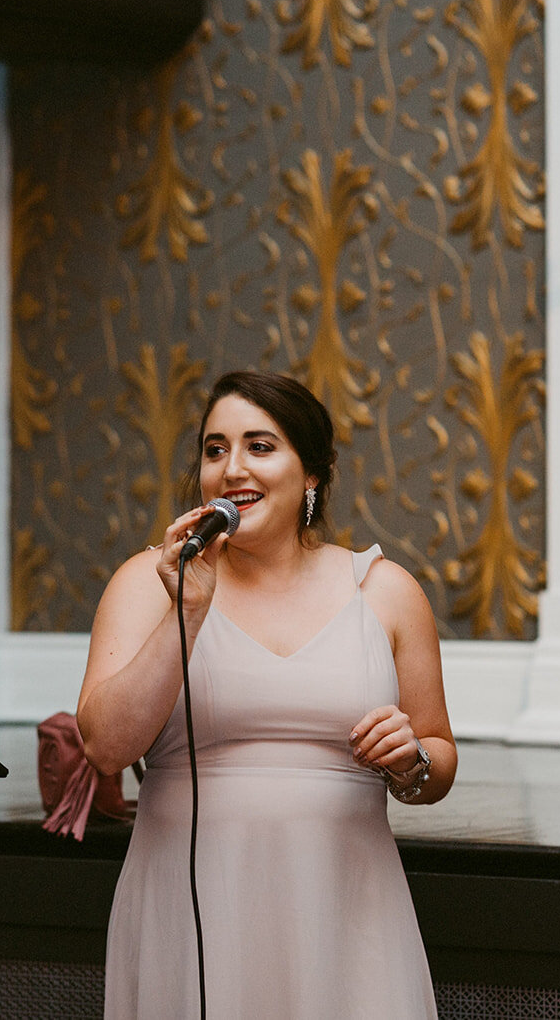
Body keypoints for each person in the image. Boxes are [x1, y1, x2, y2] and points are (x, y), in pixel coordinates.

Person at [78, 370, 456, 1018]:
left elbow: (439, 758)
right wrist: (189, 612)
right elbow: (107, 746)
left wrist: (411, 757)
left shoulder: (386, 590)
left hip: (344, 911)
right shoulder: (148, 582)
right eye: (215, 449)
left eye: (259, 446)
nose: (232, 468)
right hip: (192, 904)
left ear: (312, 472)